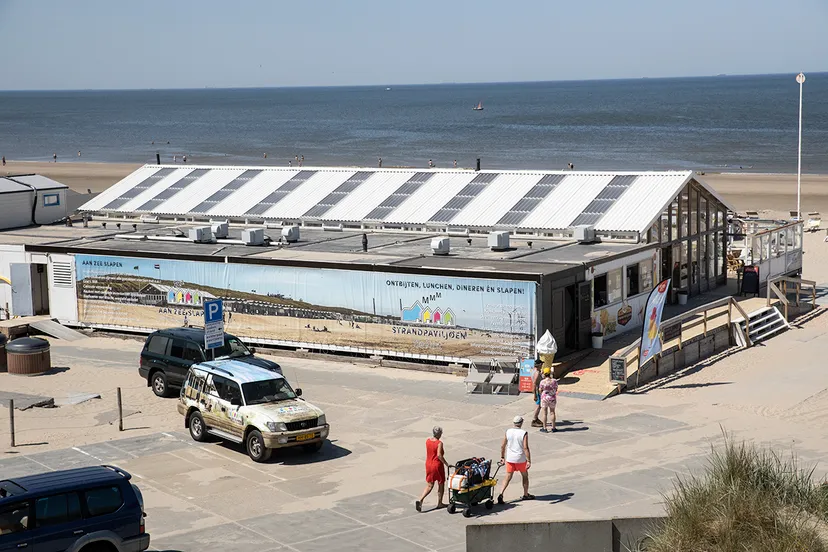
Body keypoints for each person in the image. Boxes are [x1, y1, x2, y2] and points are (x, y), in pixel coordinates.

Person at [497, 416, 533, 503]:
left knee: (508, 476)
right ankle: (525, 494)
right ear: (521, 423)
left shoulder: (508, 431)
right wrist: (528, 460)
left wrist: (502, 457)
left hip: (510, 459)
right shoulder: (523, 433)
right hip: (520, 459)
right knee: (525, 476)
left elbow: (503, 446)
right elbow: (525, 447)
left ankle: (501, 493)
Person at [416, 426, 449, 512]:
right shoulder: (439, 443)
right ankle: (440, 503)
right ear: (439, 434)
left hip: (428, 464)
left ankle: (420, 499)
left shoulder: (428, 441)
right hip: (437, 465)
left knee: (429, 485)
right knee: (441, 483)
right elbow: (439, 455)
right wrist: (446, 464)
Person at [538, 367, 558, 433]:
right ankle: (553, 427)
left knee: (544, 413)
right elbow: (556, 388)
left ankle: (544, 428)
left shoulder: (542, 382)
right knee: (552, 412)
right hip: (552, 397)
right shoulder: (554, 381)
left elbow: (540, 390)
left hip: (544, 398)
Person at [531, 359, 544, 427]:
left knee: (538, 405)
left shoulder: (534, 371)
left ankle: (536, 418)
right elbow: (534, 383)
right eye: (541, 364)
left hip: (537, 391)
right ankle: (534, 419)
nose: (542, 365)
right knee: (538, 406)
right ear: (539, 365)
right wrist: (535, 395)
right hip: (538, 391)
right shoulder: (537, 373)